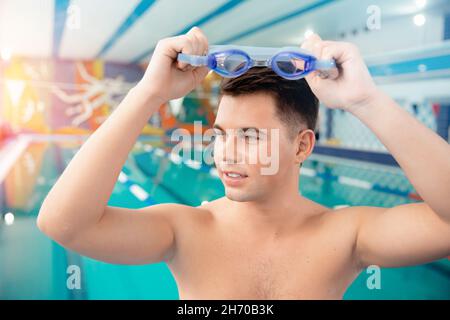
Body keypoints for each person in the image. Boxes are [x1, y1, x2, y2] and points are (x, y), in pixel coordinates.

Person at [37, 27, 450, 299]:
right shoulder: (185, 231)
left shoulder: (346, 236)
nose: (226, 153)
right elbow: (63, 224)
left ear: (302, 147)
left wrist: (366, 101)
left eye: (250, 136)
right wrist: (148, 94)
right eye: (220, 135)